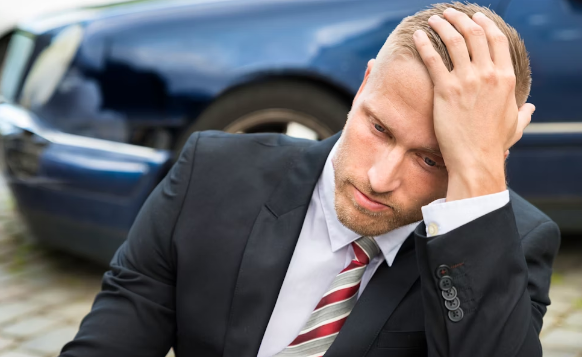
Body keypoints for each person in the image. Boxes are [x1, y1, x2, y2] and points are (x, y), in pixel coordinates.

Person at [60, 2, 560, 356]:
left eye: (433, 160)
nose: (381, 178)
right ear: (364, 85)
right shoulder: (209, 175)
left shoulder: (513, 243)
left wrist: (476, 167)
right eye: (378, 128)